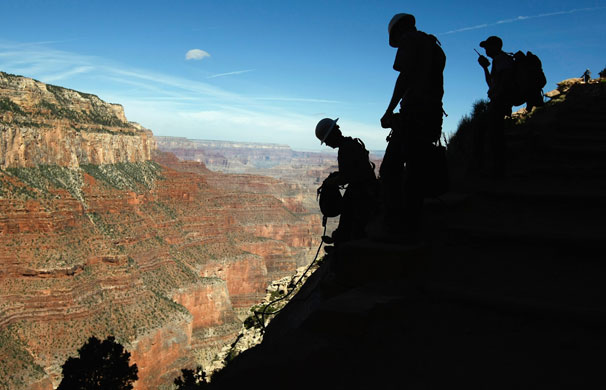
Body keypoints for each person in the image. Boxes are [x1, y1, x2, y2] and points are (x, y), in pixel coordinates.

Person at [377, 13, 445, 241]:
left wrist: (389, 111)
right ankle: (412, 224)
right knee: (416, 170)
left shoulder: (411, 40)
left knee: (390, 171)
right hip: (433, 115)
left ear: (399, 30)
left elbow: (404, 78)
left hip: (414, 114)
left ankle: (395, 225)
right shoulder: (433, 45)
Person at [315, 118, 377, 245]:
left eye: (326, 140)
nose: (326, 144)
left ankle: (342, 247)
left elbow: (347, 177)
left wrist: (329, 183)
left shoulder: (346, 148)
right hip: (365, 188)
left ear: (333, 134)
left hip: (362, 192)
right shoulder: (350, 144)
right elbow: (353, 170)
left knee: (349, 219)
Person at [476, 35, 515, 178]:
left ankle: (498, 171)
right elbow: (492, 84)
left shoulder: (501, 59)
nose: (486, 49)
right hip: (499, 101)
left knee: (495, 136)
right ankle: (497, 168)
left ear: (496, 46)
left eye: (487, 46)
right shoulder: (498, 61)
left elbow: (503, 81)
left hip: (499, 102)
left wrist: (497, 97)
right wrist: (485, 68)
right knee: (494, 135)